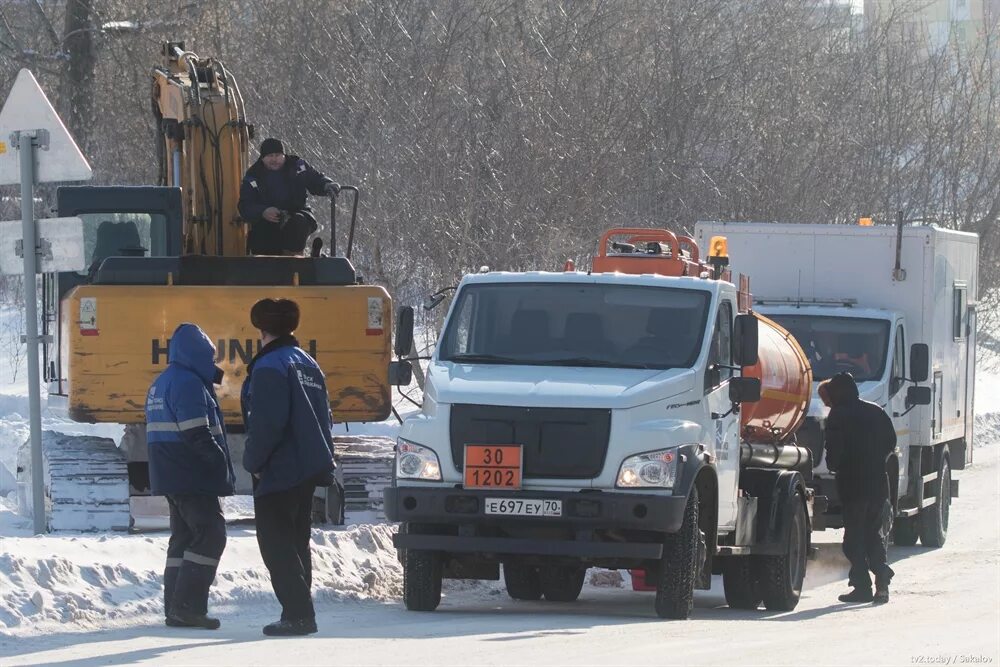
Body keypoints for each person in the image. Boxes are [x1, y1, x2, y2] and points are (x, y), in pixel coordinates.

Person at [242, 298, 335, 636]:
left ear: (262, 330)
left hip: (279, 469)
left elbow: (266, 423)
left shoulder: (270, 367)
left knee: (276, 544)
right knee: (297, 543)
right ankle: (298, 611)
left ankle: (298, 614)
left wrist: (252, 462)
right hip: (307, 467)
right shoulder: (308, 363)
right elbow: (325, 417)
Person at [145, 323, 235, 629]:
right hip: (191, 473)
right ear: (197, 354)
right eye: (209, 356)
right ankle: (187, 607)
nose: (212, 363)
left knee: (183, 538)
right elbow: (197, 431)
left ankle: (175, 607)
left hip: (171, 473)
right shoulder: (188, 383)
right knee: (211, 535)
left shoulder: (163, 381)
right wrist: (218, 463)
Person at [820, 372, 897, 605]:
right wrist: (876, 460)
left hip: (853, 486)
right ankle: (881, 585)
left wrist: (836, 466)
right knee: (873, 534)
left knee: (853, 540)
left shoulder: (838, 415)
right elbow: (890, 442)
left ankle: (864, 585)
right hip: (877, 484)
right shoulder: (875, 410)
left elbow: (834, 450)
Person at [238, 138, 340, 256]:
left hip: (297, 212)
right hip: (267, 221)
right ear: (263, 158)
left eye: (277, 155)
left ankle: (294, 261)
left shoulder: (298, 166)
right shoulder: (253, 176)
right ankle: (267, 266)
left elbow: (315, 179)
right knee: (261, 234)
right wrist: (263, 211)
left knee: (298, 223)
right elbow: (245, 205)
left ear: (284, 155)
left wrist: (327, 184)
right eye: (270, 156)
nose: (274, 159)